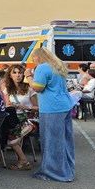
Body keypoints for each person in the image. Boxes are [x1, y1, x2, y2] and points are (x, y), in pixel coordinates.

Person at [29, 48, 75, 182]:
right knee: (65, 140)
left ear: (38, 57)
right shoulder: (57, 66)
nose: (33, 61)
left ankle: (52, 172)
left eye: (33, 58)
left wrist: (29, 76)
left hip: (51, 107)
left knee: (51, 141)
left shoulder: (42, 68)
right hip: (64, 105)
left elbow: (38, 87)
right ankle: (67, 168)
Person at [2, 63, 38, 141]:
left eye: (20, 72)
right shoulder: (8, 89)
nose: (17, 75)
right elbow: (7, 106)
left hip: (27, 117)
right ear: (10, 75)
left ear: (23, 74)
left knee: (12, 126)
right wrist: (12, 106)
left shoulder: (29, 89)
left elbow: (38, 107)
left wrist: (26, 107)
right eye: (14, 73)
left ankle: (13, 143)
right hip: (13, 116)